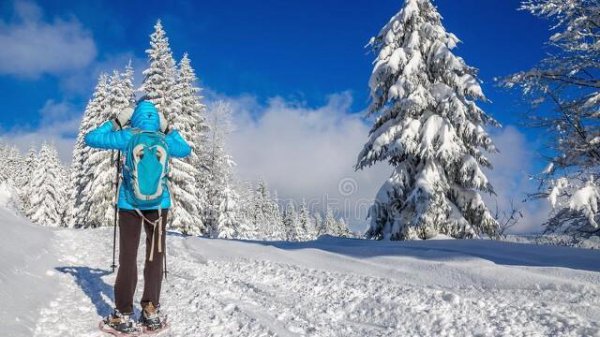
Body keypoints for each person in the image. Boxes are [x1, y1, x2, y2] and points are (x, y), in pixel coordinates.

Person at [85, 100, 191, 333]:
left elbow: (91, 138)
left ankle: (123, 315)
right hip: (159, 206)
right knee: (155, 256)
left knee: (128, 256)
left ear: (135, 116)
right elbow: (185, 149)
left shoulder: (127, 136)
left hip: (129, 204)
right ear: (156, 117)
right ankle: (150, 311)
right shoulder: (164, 139)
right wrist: (168, 128)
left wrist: (116, 122)